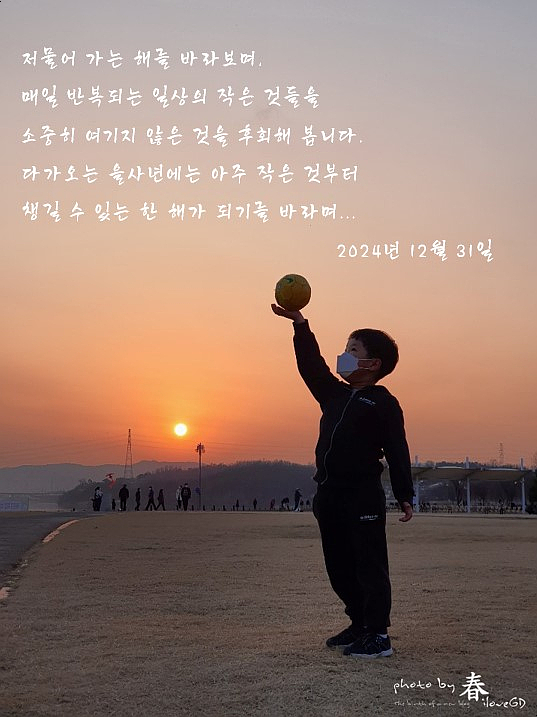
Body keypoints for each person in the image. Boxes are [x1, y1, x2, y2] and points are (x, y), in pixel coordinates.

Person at [272, 303, 413, 659]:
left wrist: (404, 492)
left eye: (353, 350)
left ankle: (378, 635)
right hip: (329, 494)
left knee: (369, 565)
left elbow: (397, 449)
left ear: (373, 363)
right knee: (338, 566)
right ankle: (359, 622)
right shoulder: (333, 395)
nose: (344, 355)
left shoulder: (383, 403)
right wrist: (300, 324)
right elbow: (311, 366)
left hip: (362, 496)